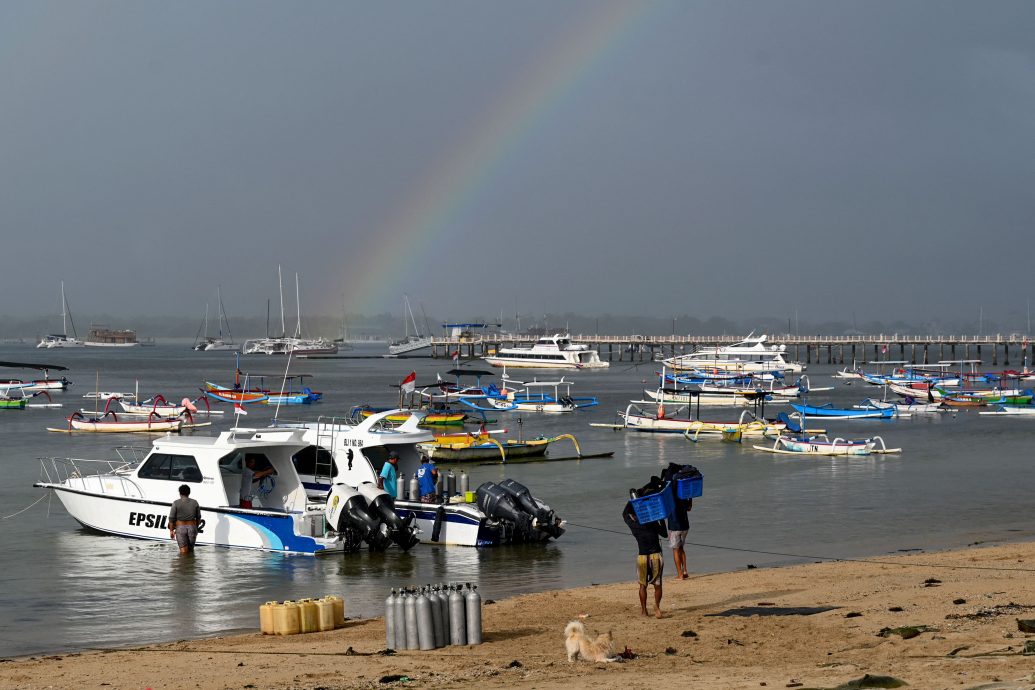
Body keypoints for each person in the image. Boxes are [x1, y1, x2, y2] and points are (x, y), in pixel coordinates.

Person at [622, 499, 666, 618]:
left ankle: (644, 611)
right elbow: (665, 534)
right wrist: (660, 517)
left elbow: (624, 514)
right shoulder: (653, 522)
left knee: (642, 585)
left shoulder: (634, 525)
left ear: (634, 516)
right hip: (655, 556)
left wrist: (633, 500)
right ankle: (656, 606)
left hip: (642, 557)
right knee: (658, 585)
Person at [168, 484, 201, 555]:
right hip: (192, 527)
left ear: (180, 493)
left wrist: (171, 531)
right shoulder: (195, 502)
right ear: (189, 493)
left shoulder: (176, 503)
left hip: (180, 528)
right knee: (191, 550)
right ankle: (191, 565)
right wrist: (196, 528)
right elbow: (198, 518)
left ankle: (184, 565)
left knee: (183, 553)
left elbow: (171, 518)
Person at [667, 496, 692, 580]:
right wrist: (690, 497)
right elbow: (689, 508)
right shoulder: (683, 495)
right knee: (681, 548)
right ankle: (685, 571)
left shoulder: (668, 497)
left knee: (675, 550)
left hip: (674, 527)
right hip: (685, 526)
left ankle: (679, 575)